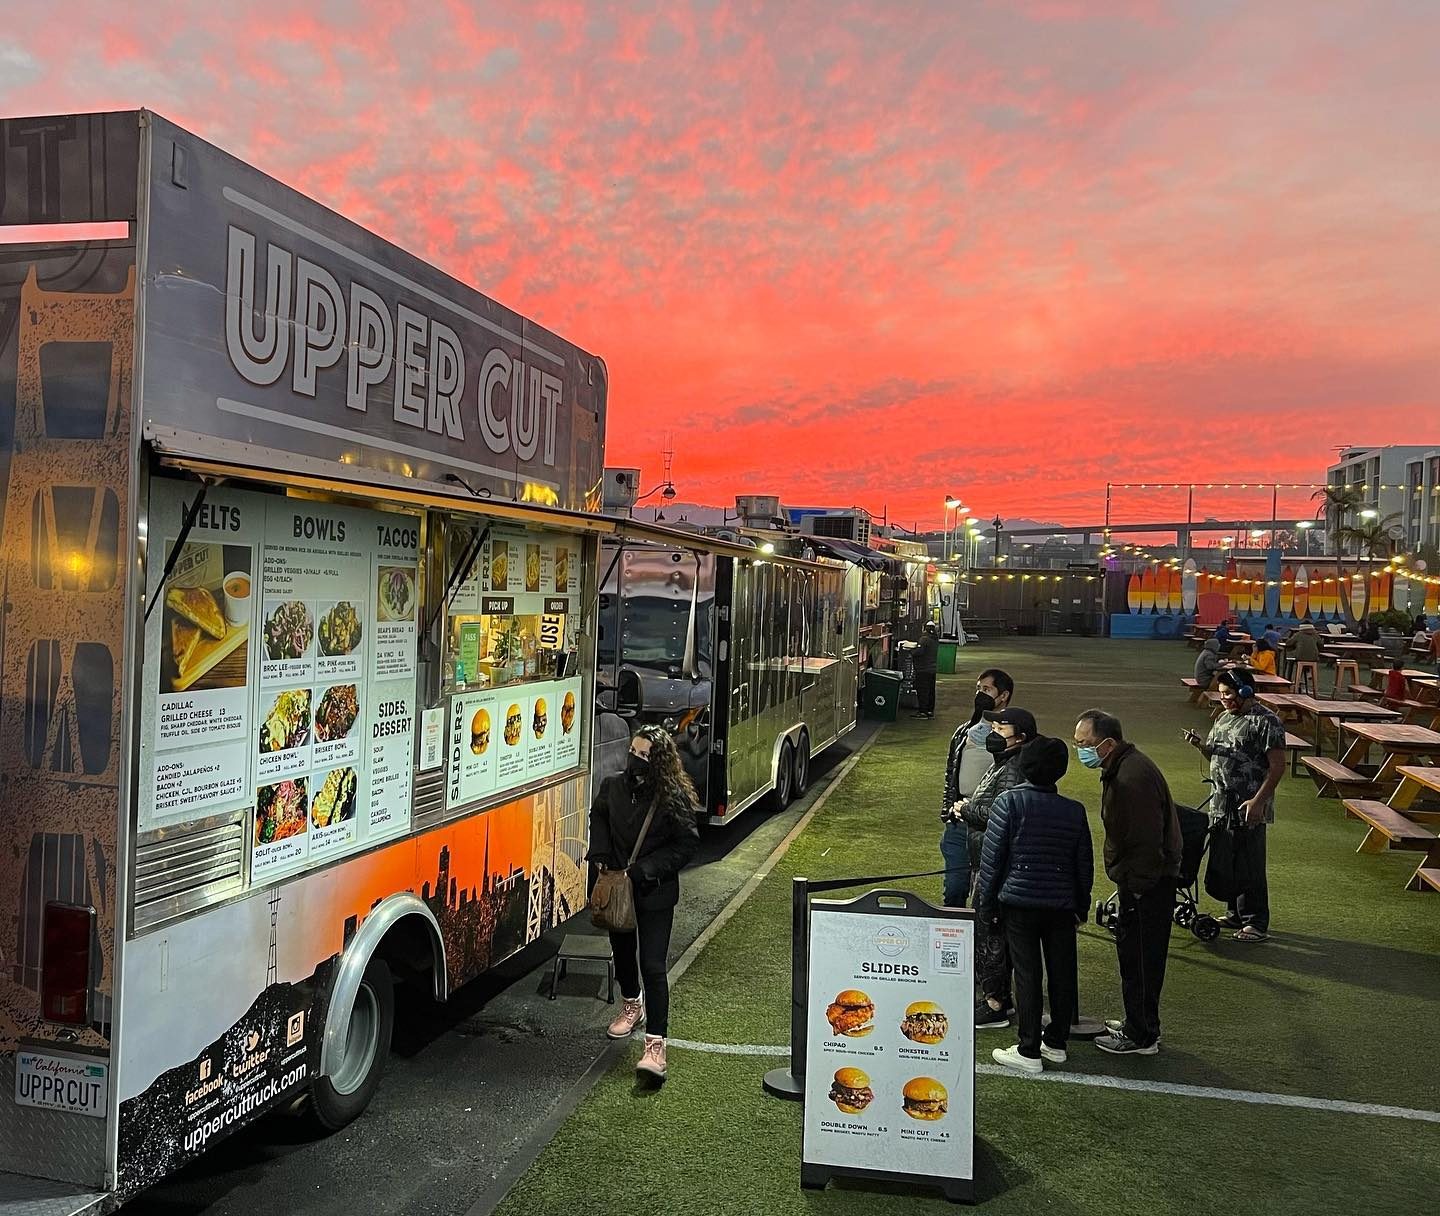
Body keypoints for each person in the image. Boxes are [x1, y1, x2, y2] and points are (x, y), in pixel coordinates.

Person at [587, 724, 701, 1080]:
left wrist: (645, 870)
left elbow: (686, 845)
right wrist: (602, 855)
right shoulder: (612, 788)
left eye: (643, 756)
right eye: (632, 752)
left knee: (653, 965)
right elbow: (599, 817)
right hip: (619, 893)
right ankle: (631, 1004)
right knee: (622, 955)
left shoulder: (672, 798)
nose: (634, 760)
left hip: (654, 893)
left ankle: (656, 1045)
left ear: (659, 763)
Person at [976, 737, 1093, 1075]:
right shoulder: (1074, 810)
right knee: (1061, 972)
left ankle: (1028, 1049)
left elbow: (992, 860)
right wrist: (1080, 906)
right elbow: (1083, 865)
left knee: (1027, 975)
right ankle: (1055, 1042)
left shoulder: (1009, 803)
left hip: (1019, 903)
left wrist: (987, 905)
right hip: (1061, 904)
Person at [1074, 710, 1181, 1056]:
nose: (1081, 750)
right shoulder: (1125, 767)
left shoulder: (1131, 777)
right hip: (1143, 878)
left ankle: (1142, 1034)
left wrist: (1138, 885)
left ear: (1107, 744)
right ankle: (1139, 1023)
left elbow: (1146, 837)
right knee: (1136, 956)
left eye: (1086, 744)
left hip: (1146, 883)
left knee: (1140, 958)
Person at [1183, 668, 1285, 942]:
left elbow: (1276, 767)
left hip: (1248, 804)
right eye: (1221, 693)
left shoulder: (1267, 721)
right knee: (1228, 860)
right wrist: (1199, 746)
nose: (1223, 698)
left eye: (1228, 693)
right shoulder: (1225, 717)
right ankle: (1235, 914)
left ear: (1245, 691)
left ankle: (1256, 922)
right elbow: (1216, 751)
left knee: (1249, 861)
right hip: (1220, 802)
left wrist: (1258, 801)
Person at [951, 707, 1036, 1029]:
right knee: (991, 933)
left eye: (1002, 730)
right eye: (994, 727)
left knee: (991, 934)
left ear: (1021, 738)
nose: (993, 734)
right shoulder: (1004, 763)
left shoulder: (1013, 769)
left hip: (996, 866)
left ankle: (994, 1004)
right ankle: (997, 997)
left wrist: (968, 809)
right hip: (987, 861)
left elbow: (1005, 814)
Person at [939, 669, 1015, 907]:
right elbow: (951, 773)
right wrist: (948, 809)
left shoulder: (1013, 735)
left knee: (987, 896)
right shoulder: (963, 732)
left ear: (1003, 696)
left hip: (992, 825)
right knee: (954, 888)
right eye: (978, 689)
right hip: (960, 821)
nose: (980, 694)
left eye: (986, 690)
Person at [905, 622, 940, 718]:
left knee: (922, 691)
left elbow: (919, 652)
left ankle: (922, 711)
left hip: (923, 669)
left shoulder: (924, 639)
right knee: (930, 691)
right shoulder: (935, 639)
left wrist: (911, 651)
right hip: (932, 669)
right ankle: (929, 710)